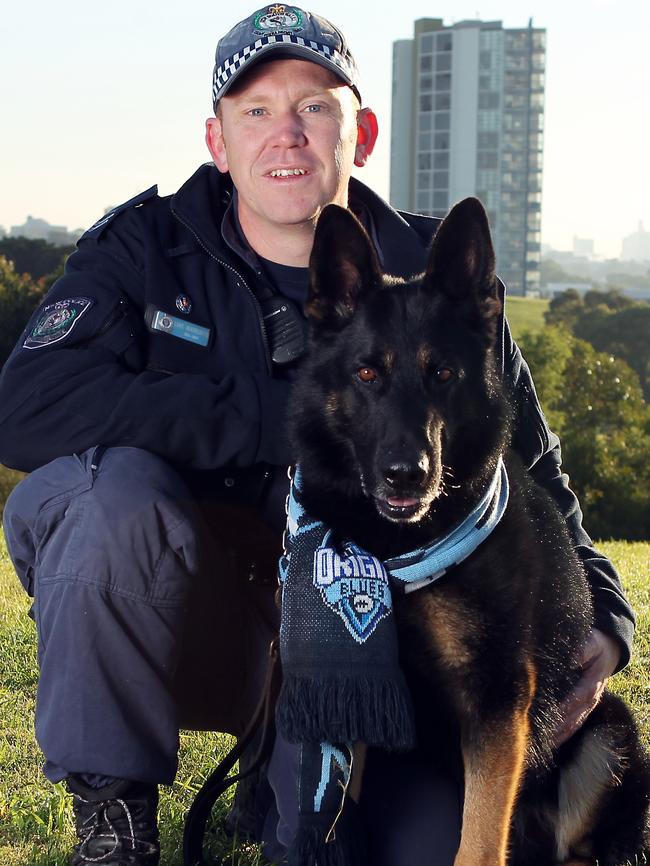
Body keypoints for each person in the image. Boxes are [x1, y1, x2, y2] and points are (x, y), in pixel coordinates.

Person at [0, 6, 634, 866]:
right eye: (256, 111)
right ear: (218, 142)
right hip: (194, 611)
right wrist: (277, 419)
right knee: (105, 495)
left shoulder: (438, 275)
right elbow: (28, 405)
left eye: (316, 107)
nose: (286, 135)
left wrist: (608, 613)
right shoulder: (143, 250)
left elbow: (529, 469)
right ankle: (115, 823)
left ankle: (286, 780)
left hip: (378, 654)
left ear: (361, 131)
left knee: (410, 848)